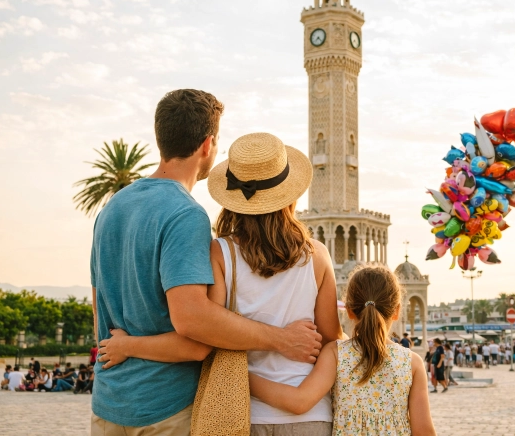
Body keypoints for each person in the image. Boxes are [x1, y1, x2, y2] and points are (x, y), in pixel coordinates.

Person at [89, 90, 322, 432]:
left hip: (109, 405)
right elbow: (194, 327)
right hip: (164, 410)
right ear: (207, 145)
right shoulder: (184, 214)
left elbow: (100, 314)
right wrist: (281, 339)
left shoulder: (112, 208)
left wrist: (127, 345)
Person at [248, 265, 437, 436]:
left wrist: (245, 377)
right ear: (396, 311)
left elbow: (300, 401)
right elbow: (424, 431)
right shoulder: (411, 363)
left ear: (349, 310)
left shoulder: (337, 354)